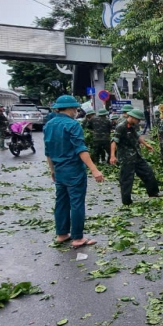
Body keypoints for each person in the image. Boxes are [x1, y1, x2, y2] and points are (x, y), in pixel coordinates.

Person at [43, 95, 105, 248]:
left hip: (59, 170)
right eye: (76, 109)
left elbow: (48, 151)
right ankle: (78, 238)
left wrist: (52, 170)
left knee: (61, 202)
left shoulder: (49, 125)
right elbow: (81, 149)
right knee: (76, 203)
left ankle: (62, 234)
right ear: (71, 109)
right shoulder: (72, 125)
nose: (76, 112)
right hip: (74, 170)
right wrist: (95, 169)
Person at [111, 109, 161, 205]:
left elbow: (137, 137)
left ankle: (153, 193)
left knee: (148, 172)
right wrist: (112, 156)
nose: (139, 121)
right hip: (126, 158)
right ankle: (127, 201)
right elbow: (114, 141)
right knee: (127, 179)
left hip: (137, 155)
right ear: (132, 117)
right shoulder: (121, 127)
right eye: (138, 119)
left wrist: (146, 145)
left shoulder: (134, 126)